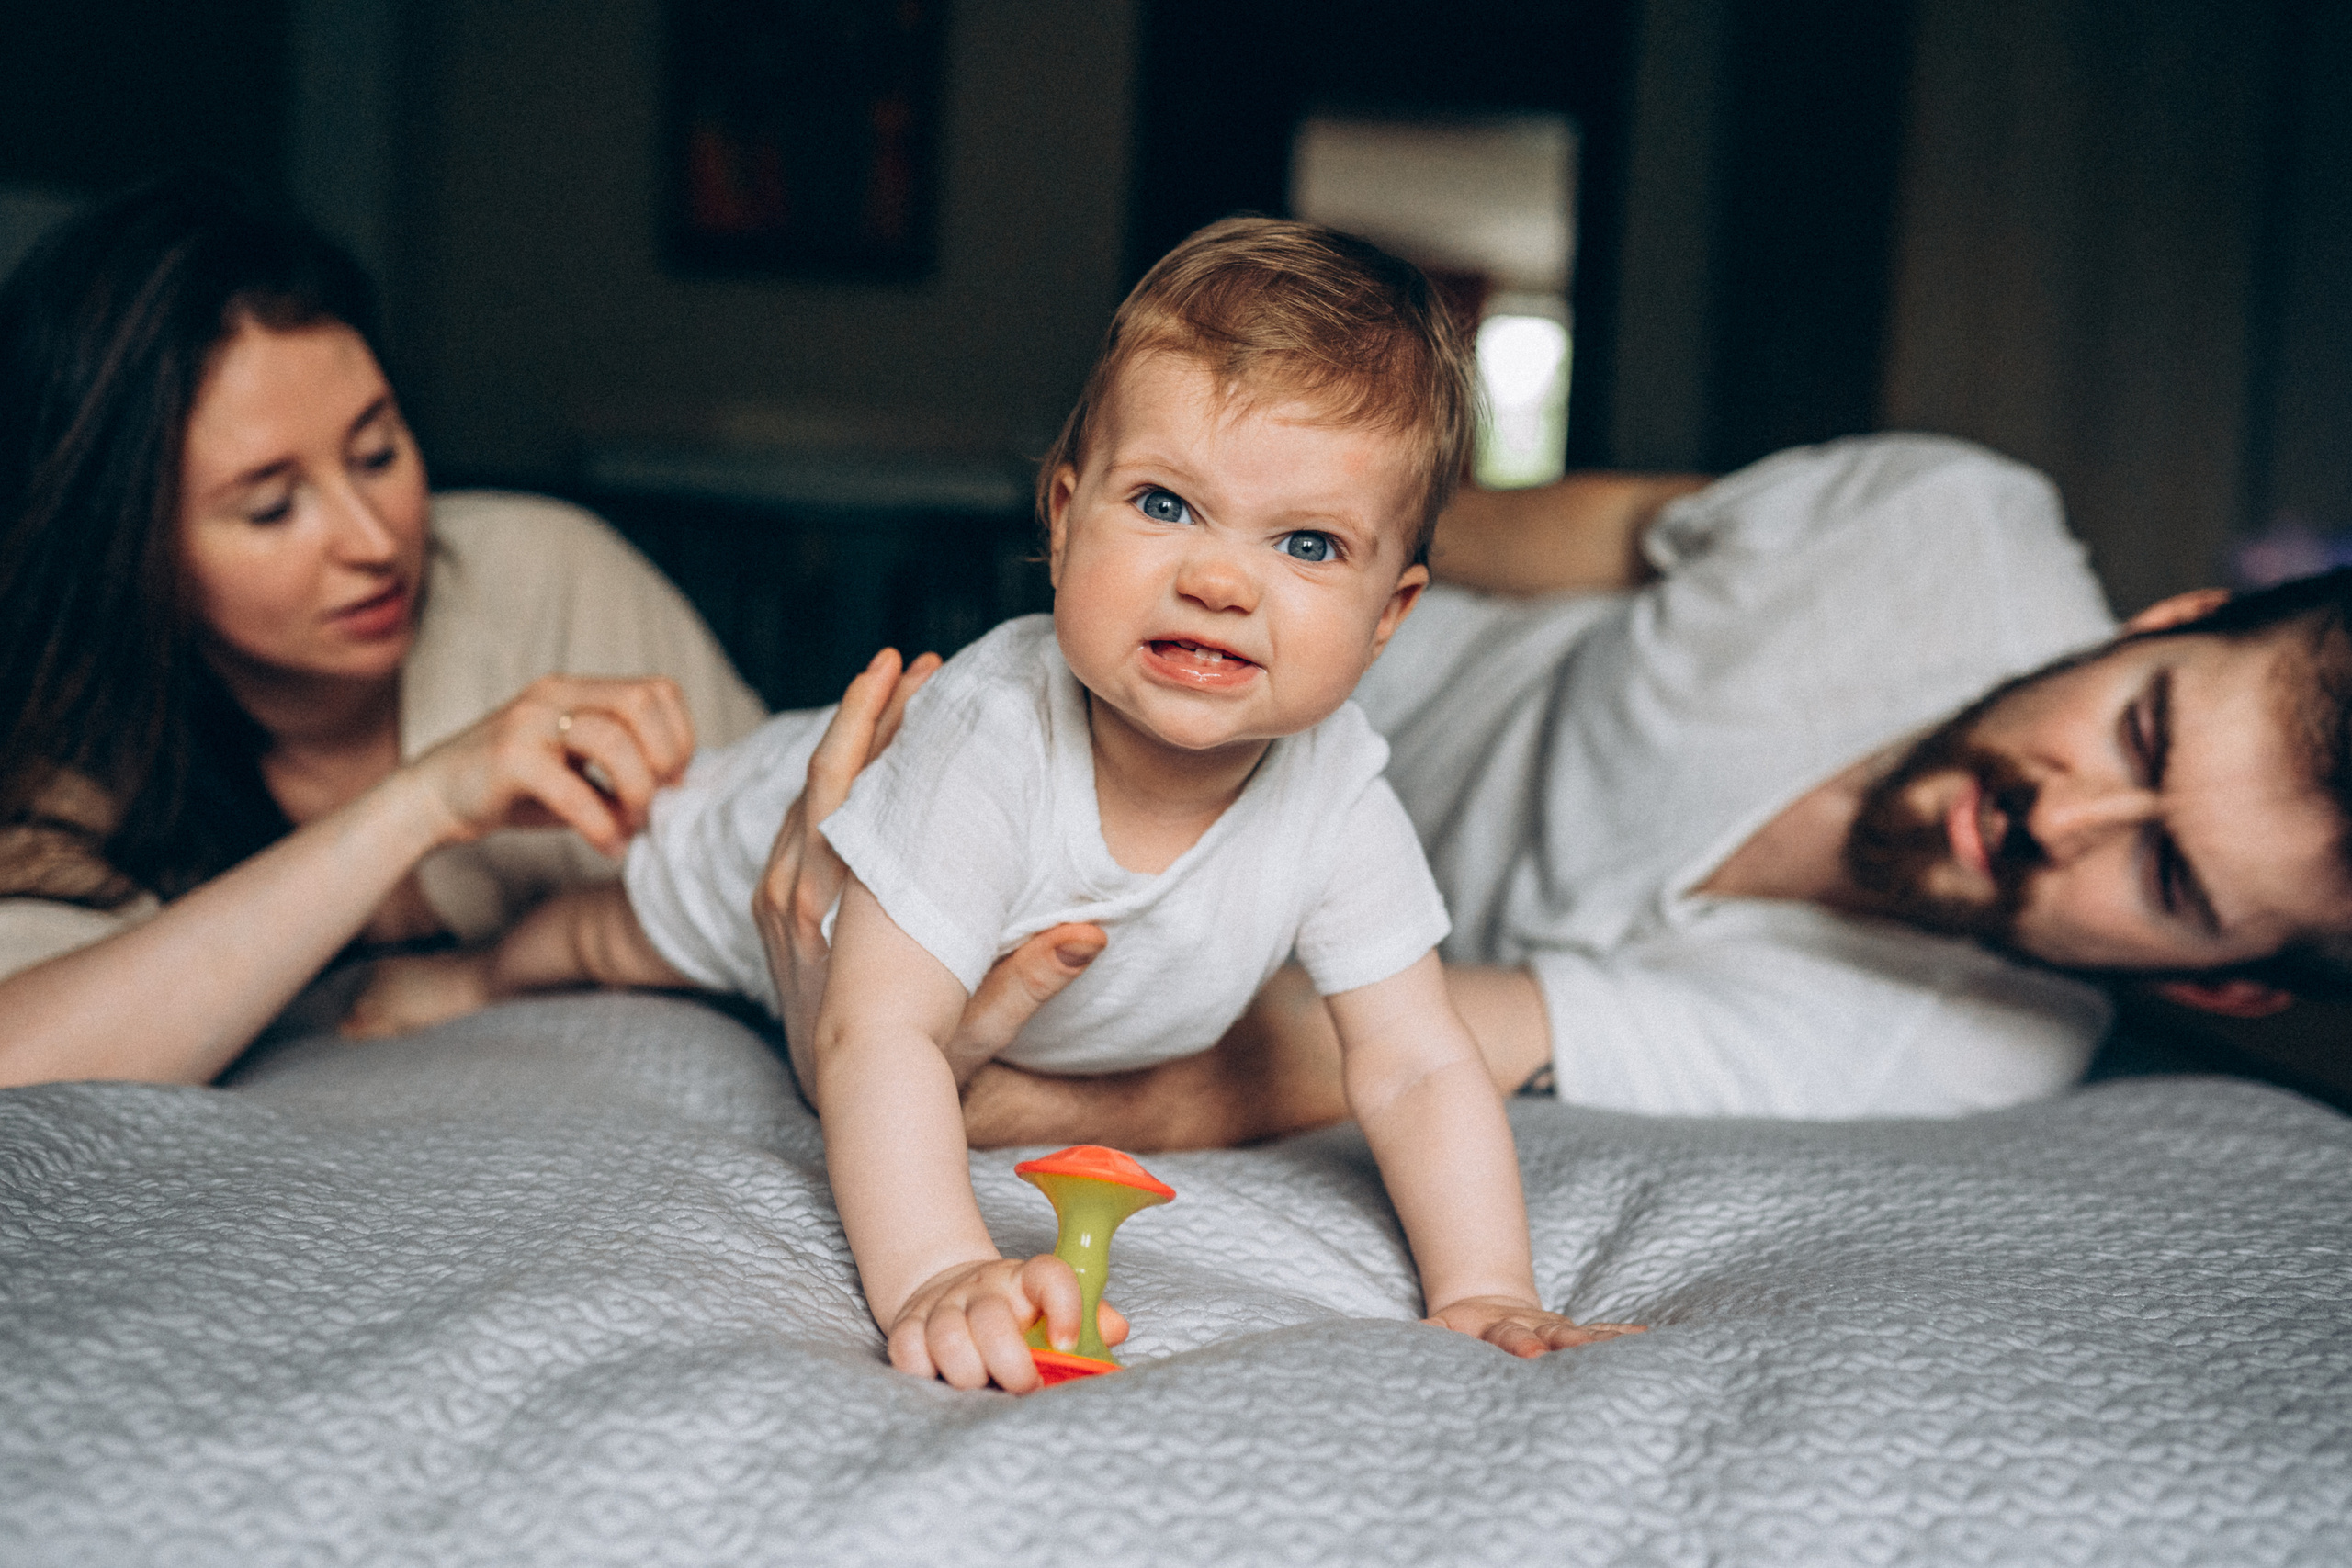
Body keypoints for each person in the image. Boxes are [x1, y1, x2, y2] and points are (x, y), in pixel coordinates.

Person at [411, 218, 1642, 1392]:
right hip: (773, 837)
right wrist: (939, 1269)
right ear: (1062, 519)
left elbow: (1420, 1063)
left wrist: (1487, 1286)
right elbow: (876, 1033)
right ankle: (473, 972)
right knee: (617, 924)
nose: (1218, 580)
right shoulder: (991, 737)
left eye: (1307, 544)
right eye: (1164, 504)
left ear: (1390, 615)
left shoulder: (1337, 788)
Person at [926, 431, 2352, 1150]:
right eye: (2143, 734)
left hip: (1175, 907)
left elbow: (1390, 1039)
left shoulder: (1960, 1053)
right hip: (1147, 675)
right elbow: (1582, 528)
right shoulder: (1949, 517)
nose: (2065, 814)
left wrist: (951, 1075)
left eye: (2165, 876)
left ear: (2220, 982)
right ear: (2170, 623)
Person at [0, 172, 766, 1088]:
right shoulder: (70, 754)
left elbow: (794, 876)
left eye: (377, 452)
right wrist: (418, 807)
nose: (374, 541)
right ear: (127, 546)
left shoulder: (548, 578)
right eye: (272, 507)